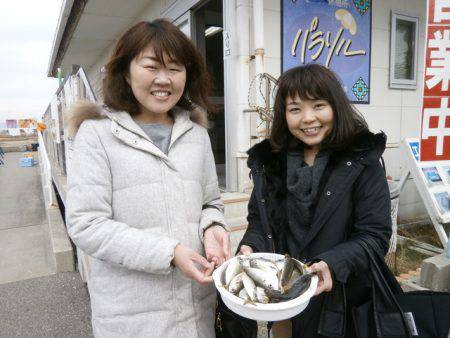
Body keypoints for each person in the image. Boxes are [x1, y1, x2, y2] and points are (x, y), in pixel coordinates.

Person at [66, 20, 230, 338]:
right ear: (126, 72)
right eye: (151, 66)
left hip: (196, 309)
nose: (164, 79)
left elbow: (211, 202)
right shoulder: (97, 134)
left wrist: (213, 229)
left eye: (175, 68)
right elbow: (86, 224)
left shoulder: (196, 134)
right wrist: (169, 253)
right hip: (131, 316)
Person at [238, 64, 392, 337]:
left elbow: (374, 236)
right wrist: (250, 246)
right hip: (284, 302)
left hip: (341, 303)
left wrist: (332, 262)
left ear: (336, 106)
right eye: (295, 109)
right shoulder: (270, 163)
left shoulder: (361, 159)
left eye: (318, 105)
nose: (307, 118)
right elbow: (260, 223)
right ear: (284, 115)